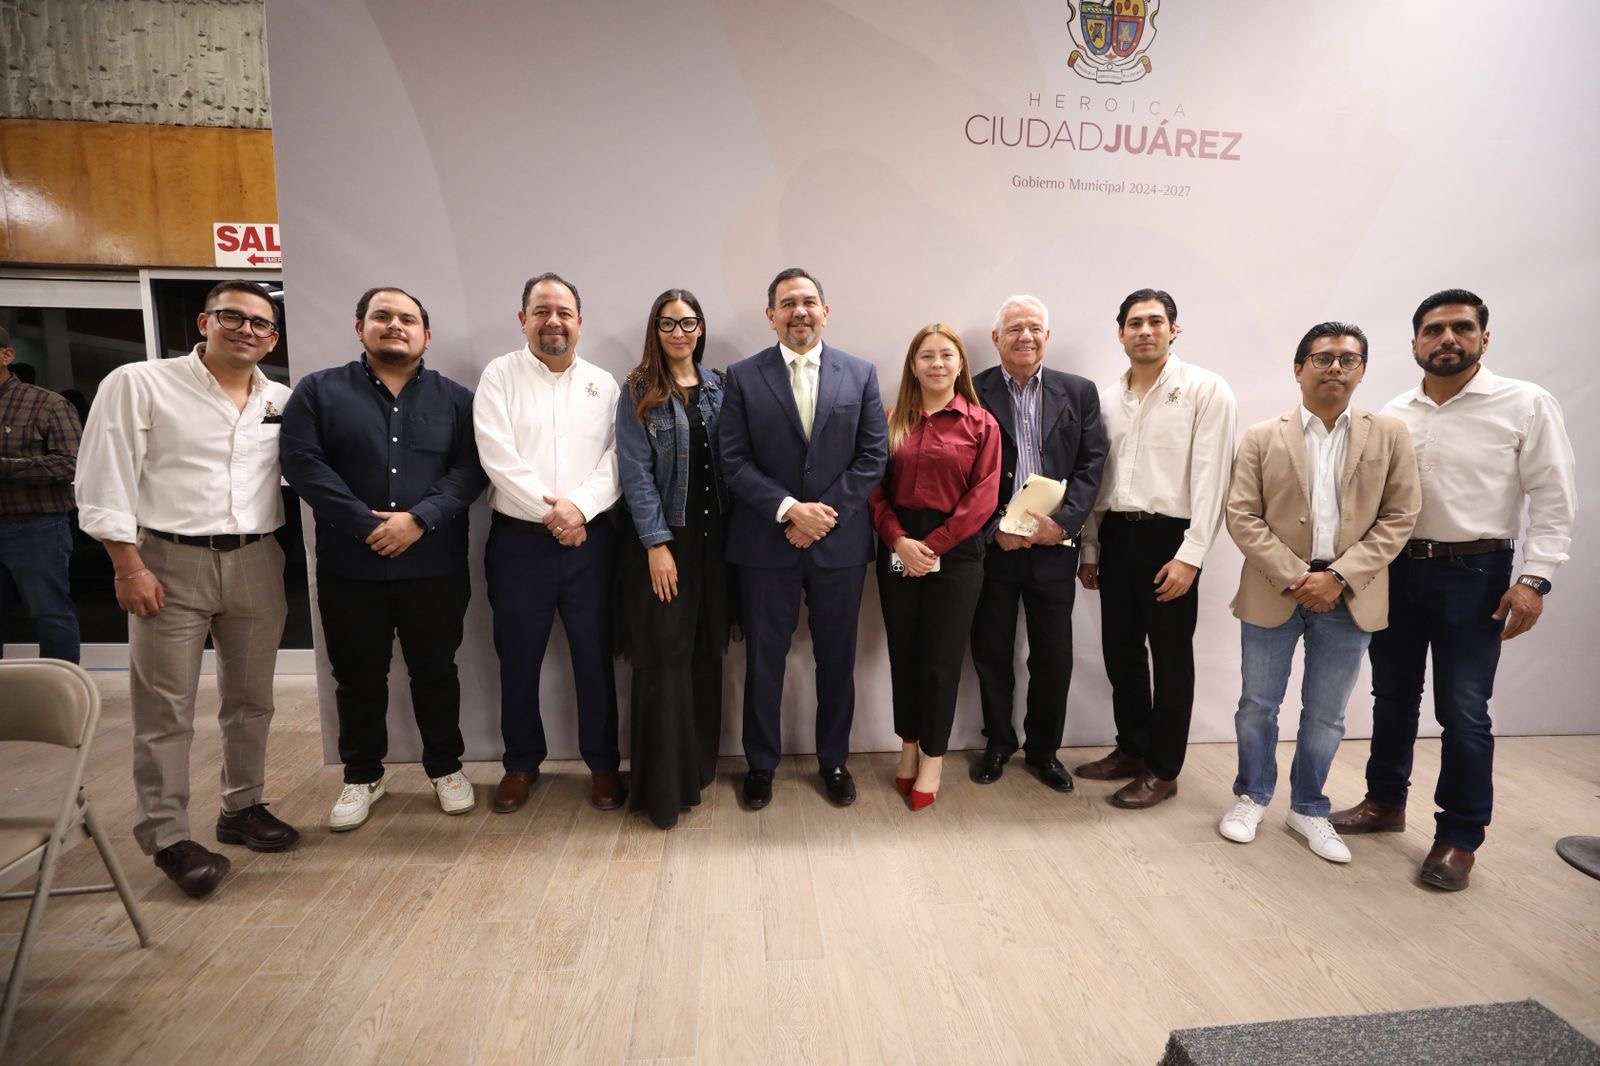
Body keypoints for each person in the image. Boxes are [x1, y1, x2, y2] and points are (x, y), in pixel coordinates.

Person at [1331, 289, 1577, 891]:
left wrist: (1535, 578)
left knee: (1464, 710)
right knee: (1392, 696)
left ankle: (1459, 837)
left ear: (1483, 338)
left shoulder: (1524, 403)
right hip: (1398, 569)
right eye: (1434, 330)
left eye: (1462, 328)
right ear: (1415, 342)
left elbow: (1553, 496)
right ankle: (1384, 802)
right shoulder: (1394, 413)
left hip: (1477, 574)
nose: (1448, 339)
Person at [75, 280, 300, 899]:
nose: (247, 330)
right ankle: (168, 836)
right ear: (204, 321)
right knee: (165, 709)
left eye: (260, 323)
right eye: (233, 317)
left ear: (273, 339)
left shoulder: (279, 399)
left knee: (251, 699)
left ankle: (242, 806)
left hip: (257, 559)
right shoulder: (139, 383)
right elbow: (103, 477)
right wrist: (127, 564)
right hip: (167, 559)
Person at [280, 286, 487, 832]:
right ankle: (362, 775)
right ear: (360, 327)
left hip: (434, 566)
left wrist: (418, 519)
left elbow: (471, 469)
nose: (395, 325)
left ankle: (445, 767)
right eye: (382, 316)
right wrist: (366, 523)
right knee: (357, 676)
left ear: (426, 335)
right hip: (351, 567)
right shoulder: (319, 391)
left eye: (407, 319)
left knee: (436, 671)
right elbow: (303, 464)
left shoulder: (457, 400)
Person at [1220, 322, 1420, 863]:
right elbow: (1242, 515)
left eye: (1348, 359)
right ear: (1298, 368)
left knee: (1327, 714)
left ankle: (1308, 807)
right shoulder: (1262, 436)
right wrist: (1296, 576)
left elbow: (1400, 517)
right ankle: (1251, 796)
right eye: (1322, 357)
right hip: (1273, 590)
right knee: (1257, 705)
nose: (1335, 367)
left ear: (1362, 370)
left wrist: (1338, 577)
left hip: (1349, 596)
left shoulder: (1390, 434)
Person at [718, 267, 888, 811]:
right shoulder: (742, 377)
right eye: (788, 303)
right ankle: (760, 764)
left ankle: (834, 761)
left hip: (839, 547)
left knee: (836, 660)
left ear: (825, 311)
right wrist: (791, 510)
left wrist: (823, 515)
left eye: (809, 301)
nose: (800, 311)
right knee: (764, 659)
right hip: (765, 546)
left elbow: (873, 457)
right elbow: (732, 460)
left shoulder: (860, 374)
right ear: (771, 315)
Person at [1075, 288, 1237, 808]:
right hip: (1117, 535)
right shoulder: (1105, 399)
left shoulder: (1205, 390)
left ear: (1174, 329)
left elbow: (1213, 478)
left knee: (1170, 658)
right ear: (1120, 332)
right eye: (1135, 323)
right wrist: (1091, 549)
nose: (1145, 331)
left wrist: (1191, 556)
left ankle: (1164, 770)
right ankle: (1132, 748)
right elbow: (1097, 480)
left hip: (1171, 539)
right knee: (1120, 652)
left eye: (1155, 321)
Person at [474, 272, 624, 814]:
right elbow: (496, 455)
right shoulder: (500, 376)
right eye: (541, 311)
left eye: (563, 312)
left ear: (580, 322)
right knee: (518, 658)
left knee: (594, 658)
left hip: (592, 543)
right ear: (523, 320)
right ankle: (520, 764)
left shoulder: (605, 384)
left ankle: (603, 764)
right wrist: (556, 514)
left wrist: (579, 509)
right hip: (519, 545)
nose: (553, 321)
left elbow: (618, 458)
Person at [968, 296, 1107, 792]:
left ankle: (1044, 750)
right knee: (991, 651)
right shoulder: (973, 390)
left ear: (1047, 336)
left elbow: (1092, 465)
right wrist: (992, 528)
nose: (1025, 336)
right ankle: (998, 743)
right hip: (995, 548)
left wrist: (1063, 526)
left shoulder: (1079, 391)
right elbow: (961, 470)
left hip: (1053, 547)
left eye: (1034, 328)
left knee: (1053, 656)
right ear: (996, 338)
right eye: (1014, 328)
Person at [614, 289, 735, 829]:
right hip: (666, 544)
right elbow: (635, 472)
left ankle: (698, 771)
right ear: (655, 330)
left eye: (688, 323)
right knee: (665, 660)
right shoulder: (639, 389)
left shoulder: (719, 387)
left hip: (717, 546)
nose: (679, 332)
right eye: (668, 323)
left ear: (701, 328)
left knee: (706, 655)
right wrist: (656, 544)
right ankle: (663, 791)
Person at [869, 323, 1000, 810]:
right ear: (913, 365)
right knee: (904, 652)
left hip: (957, 552)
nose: (937, 363)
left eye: (946, 355)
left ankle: (933, 758)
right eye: (927, 356)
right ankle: (908, 746)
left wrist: (934, 546)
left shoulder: (981, 424)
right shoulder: (891, 421)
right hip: (899, 545)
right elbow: (874, 490)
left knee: (941, 661)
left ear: (960, 364)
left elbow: (984, 497)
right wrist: (899, 541)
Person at [0, 324, 83, 662]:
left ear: (7, 355)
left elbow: (72, 464)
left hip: (36, 526)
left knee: (49, 612)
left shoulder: (47, 404)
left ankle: (62, 689)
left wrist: (6, 468)